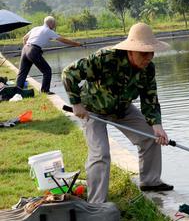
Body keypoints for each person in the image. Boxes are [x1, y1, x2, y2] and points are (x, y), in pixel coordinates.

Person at [61, 23, 172, 203]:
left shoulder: (148, 68)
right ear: (130, 51)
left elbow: (150, 98)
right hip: (92, 109)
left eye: (151, 52)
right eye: (143, 53)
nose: (148, 58)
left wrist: (157, 125)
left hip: (122, 108)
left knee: (150, 137)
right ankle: (97, 204)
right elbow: (69, 74)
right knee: (100, 154)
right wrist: (76, 103)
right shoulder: (105, 58)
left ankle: (150, 181)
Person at [16, 16, 82, 94]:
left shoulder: (36, 28)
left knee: (22, 72)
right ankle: (45, 90)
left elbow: (24, 38)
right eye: (54, 24)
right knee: (47, 70)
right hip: (33, 50)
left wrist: (27, 49)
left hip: (25, 49)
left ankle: (17, 91)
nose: (55, 25)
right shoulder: (48, 31)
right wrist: (76, 44)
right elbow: (63, 40)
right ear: (50, 23)